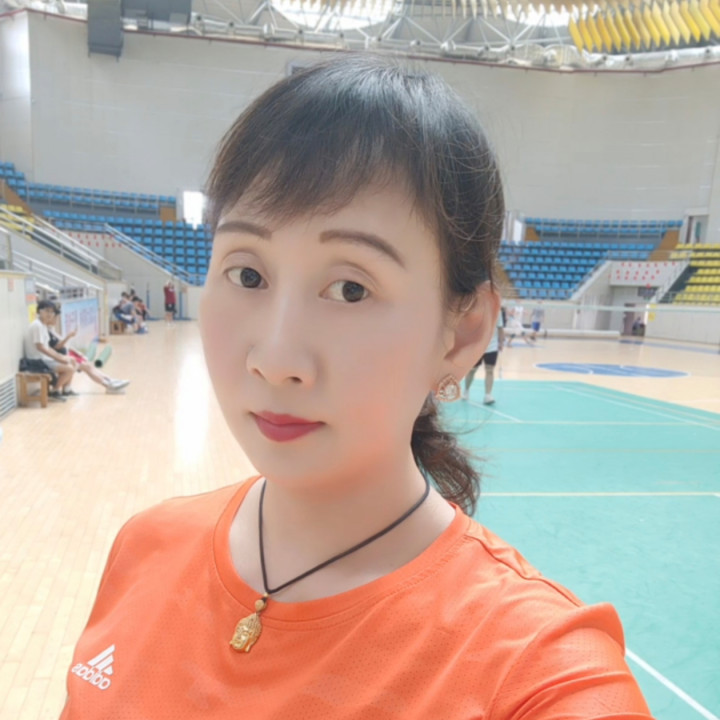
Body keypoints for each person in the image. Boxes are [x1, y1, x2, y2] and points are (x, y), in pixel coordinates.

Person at [61, 56, 652, 719]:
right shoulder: (145, 545)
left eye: (350, 288)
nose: (276, 360)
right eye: (248, 275)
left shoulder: (534, 670)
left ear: (461, 334)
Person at [48, 305, 130, 394]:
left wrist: (76, 352)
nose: (56, 320)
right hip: (60, 358)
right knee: (86, 366)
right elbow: (57, 347)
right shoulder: (47, 332)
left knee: (88, 364)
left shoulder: (51, 330)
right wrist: (68, 337)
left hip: (65, 355)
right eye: (55, 318)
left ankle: (110, 380)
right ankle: (108, 385)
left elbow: (64, 345)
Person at [22, 299, 77, 401]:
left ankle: (66, 389)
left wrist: (60, 357)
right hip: (37, 362)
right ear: (39, 311)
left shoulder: (43, 325)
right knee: (70, 368)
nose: (50, 314)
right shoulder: (37, 326)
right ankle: (54, 391)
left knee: (72, 361)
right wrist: (59, 359)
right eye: (47, 311)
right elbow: (40, 347)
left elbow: (47, 347)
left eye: (52, 312)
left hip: (43, 359)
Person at [463, 310, 504, 405]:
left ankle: (488, 395)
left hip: (492, 346)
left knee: (490, 370)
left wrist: (501, 342)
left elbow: (500, 327)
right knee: (472, 370)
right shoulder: (477, 309)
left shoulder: (497, 311)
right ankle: (466, 390)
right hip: (477, 346)